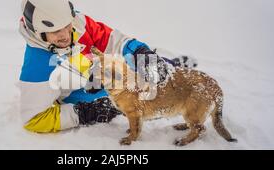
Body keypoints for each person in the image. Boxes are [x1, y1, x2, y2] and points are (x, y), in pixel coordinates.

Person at [18, 0, 196, 133]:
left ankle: (169, 65)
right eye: (56, 31)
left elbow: (112, 40)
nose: (66, 35)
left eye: (66, 25)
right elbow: (34, 119)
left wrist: (142, 53)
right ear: (38, 32)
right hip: (81, 93)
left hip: (95, 70)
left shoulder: (76, 23)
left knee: (140, 65)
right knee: (133, 97)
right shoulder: (37, 67)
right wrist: (85, 113)